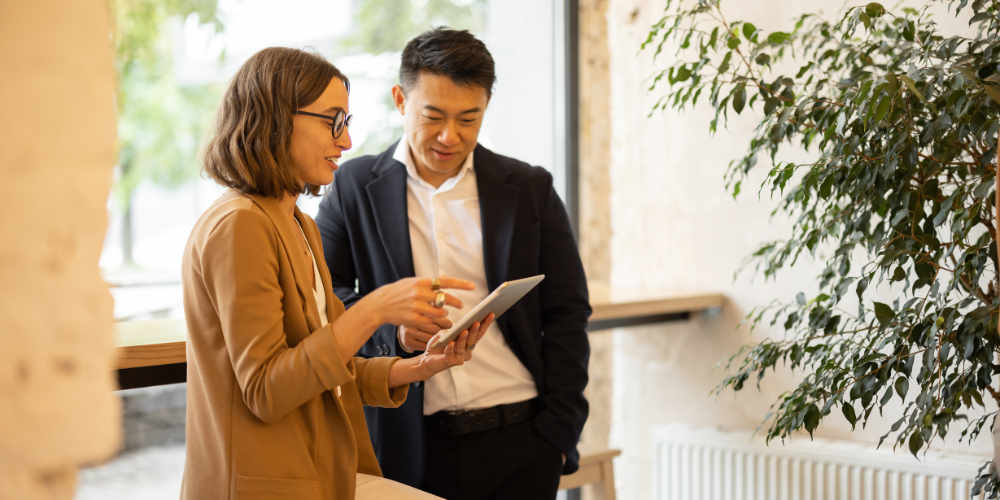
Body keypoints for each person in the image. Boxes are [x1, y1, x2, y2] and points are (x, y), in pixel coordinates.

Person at [180, 46, 494, 500]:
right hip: (264, 485)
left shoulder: (296, 223)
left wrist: (417, 367)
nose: (345, 142)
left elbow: (324, 370)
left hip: (318, 474)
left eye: (345, 124)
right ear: (275, 118)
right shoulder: (239, 225)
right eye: (333, 121)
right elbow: (267, 390)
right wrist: (373, 309)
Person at [316, 28, 591, 500]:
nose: (450, 136)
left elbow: (567, 311)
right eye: (434, 116)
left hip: (521, 438)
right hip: (404, 446)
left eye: (469, 118)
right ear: (401, 100)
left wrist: (558, 432)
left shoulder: (529, 188)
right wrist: (393, 333)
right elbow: (325, 294)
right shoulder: (353, 186)